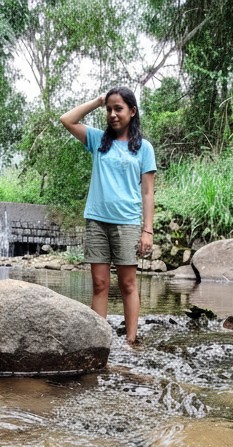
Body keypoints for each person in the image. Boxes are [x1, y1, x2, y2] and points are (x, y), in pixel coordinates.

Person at [60, 87, 157, 344]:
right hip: (97, 221)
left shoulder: (144, 148)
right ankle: (99, 342)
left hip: (127, 223)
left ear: (132, 111)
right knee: (100, 284)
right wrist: (98, 101)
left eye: (118, 109)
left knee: (128, 285)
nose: (112, 114)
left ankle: (131, 341)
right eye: (109, 110)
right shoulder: (97, 140)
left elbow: (148, 192)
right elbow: (67, 119)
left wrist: (147, 230)